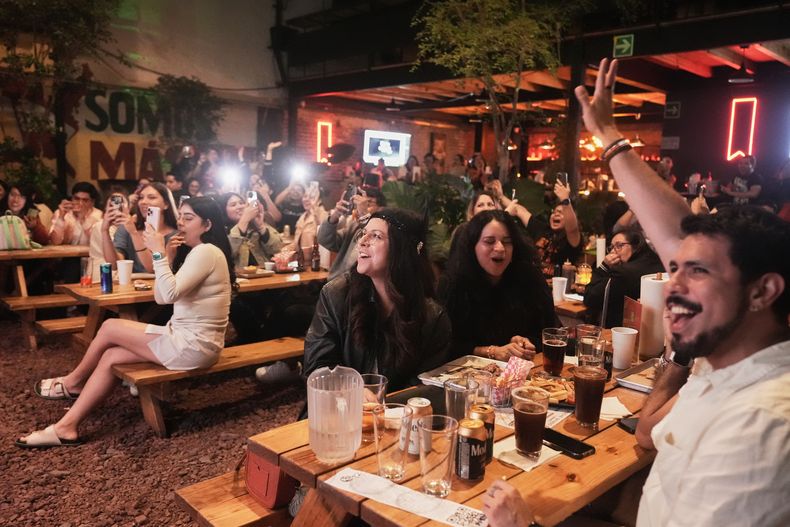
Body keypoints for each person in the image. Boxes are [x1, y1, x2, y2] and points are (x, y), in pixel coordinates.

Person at [484, 57, 790, 527]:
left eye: (699, 272)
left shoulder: (762, 427)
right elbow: (676, 230)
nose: (674, 287)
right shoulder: (728, 357)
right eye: (675, 268)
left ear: (762, 291)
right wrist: (609, 135)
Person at [16, 197, 235, 448]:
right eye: (181, 217)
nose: (182, 224)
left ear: (207, 225)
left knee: (109, 327)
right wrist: (169, 254)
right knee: (111, 356)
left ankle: (72, 382)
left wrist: (157, 252)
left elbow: (165, 296)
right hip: (194, 342)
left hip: (193, 346)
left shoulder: (206, 252)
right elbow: (170, 290)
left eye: (189, 218)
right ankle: (67, 427)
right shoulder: (205, 251)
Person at [304, 208, 451, 391]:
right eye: (364, 234)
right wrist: (352, 392)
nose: (362, 242)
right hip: (338, 409)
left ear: (402, 249)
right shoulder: (336, 295)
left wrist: (384, 408)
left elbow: (426, 387)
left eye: (376, 236)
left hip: (399, 415)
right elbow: (317, 366)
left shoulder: (432, 317)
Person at [440, 210, 557, 361]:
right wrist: (491, 351)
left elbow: (549, 331)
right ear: (472, 246)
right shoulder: (453, 284)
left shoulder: (529, 278)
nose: (500, 248)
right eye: (489, 241)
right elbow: (446, 345)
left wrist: (525, 343)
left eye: (507, 241)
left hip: (521, 375)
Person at [583, 228, 664, 328]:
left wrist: (603, 267)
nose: (612, 252)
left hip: (621, 331)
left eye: (619, 246)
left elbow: (590, 298)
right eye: (611, 247)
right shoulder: (660, 263)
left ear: (635, 246)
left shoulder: (623, 273)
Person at [100, 182, 179, 273]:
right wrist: (104, 231)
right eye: (141, 197)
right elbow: (114, 265)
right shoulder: (126, 228)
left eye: (151, 197)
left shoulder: (174, 236)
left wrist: (134, 233)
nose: (143, 202)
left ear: (166, 204)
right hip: (130, 286)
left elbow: (153, 269)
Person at [317, 188, 385, 281]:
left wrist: (365, 215)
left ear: (381, 209)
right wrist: (335, 215)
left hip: (356, 287)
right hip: (335, 283)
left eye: (368, 203)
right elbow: (325, 240)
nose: (362, 206)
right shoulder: (354, 226)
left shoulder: (382, 233)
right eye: (360, 203)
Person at [219, 192, 282, 268]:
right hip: (238, 276)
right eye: (233, 205)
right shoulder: (221, 230)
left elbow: (277, 249)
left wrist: (261, 226)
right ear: (223, 210)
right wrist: (244, 221)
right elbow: (227, 253)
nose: (239, 207)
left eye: (241, 203)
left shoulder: (254, 224)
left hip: (264, 273)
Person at [48, 181, 102, 246]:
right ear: (72, 198)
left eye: (85, 200)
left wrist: (82, 220)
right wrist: (61, 217)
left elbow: (98, 242)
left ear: (92, 202)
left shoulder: (98, 216)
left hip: (88, 255)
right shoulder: (61, 212)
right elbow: (55, 241)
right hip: (64, 255)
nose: (80, 203)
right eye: (76, 199)